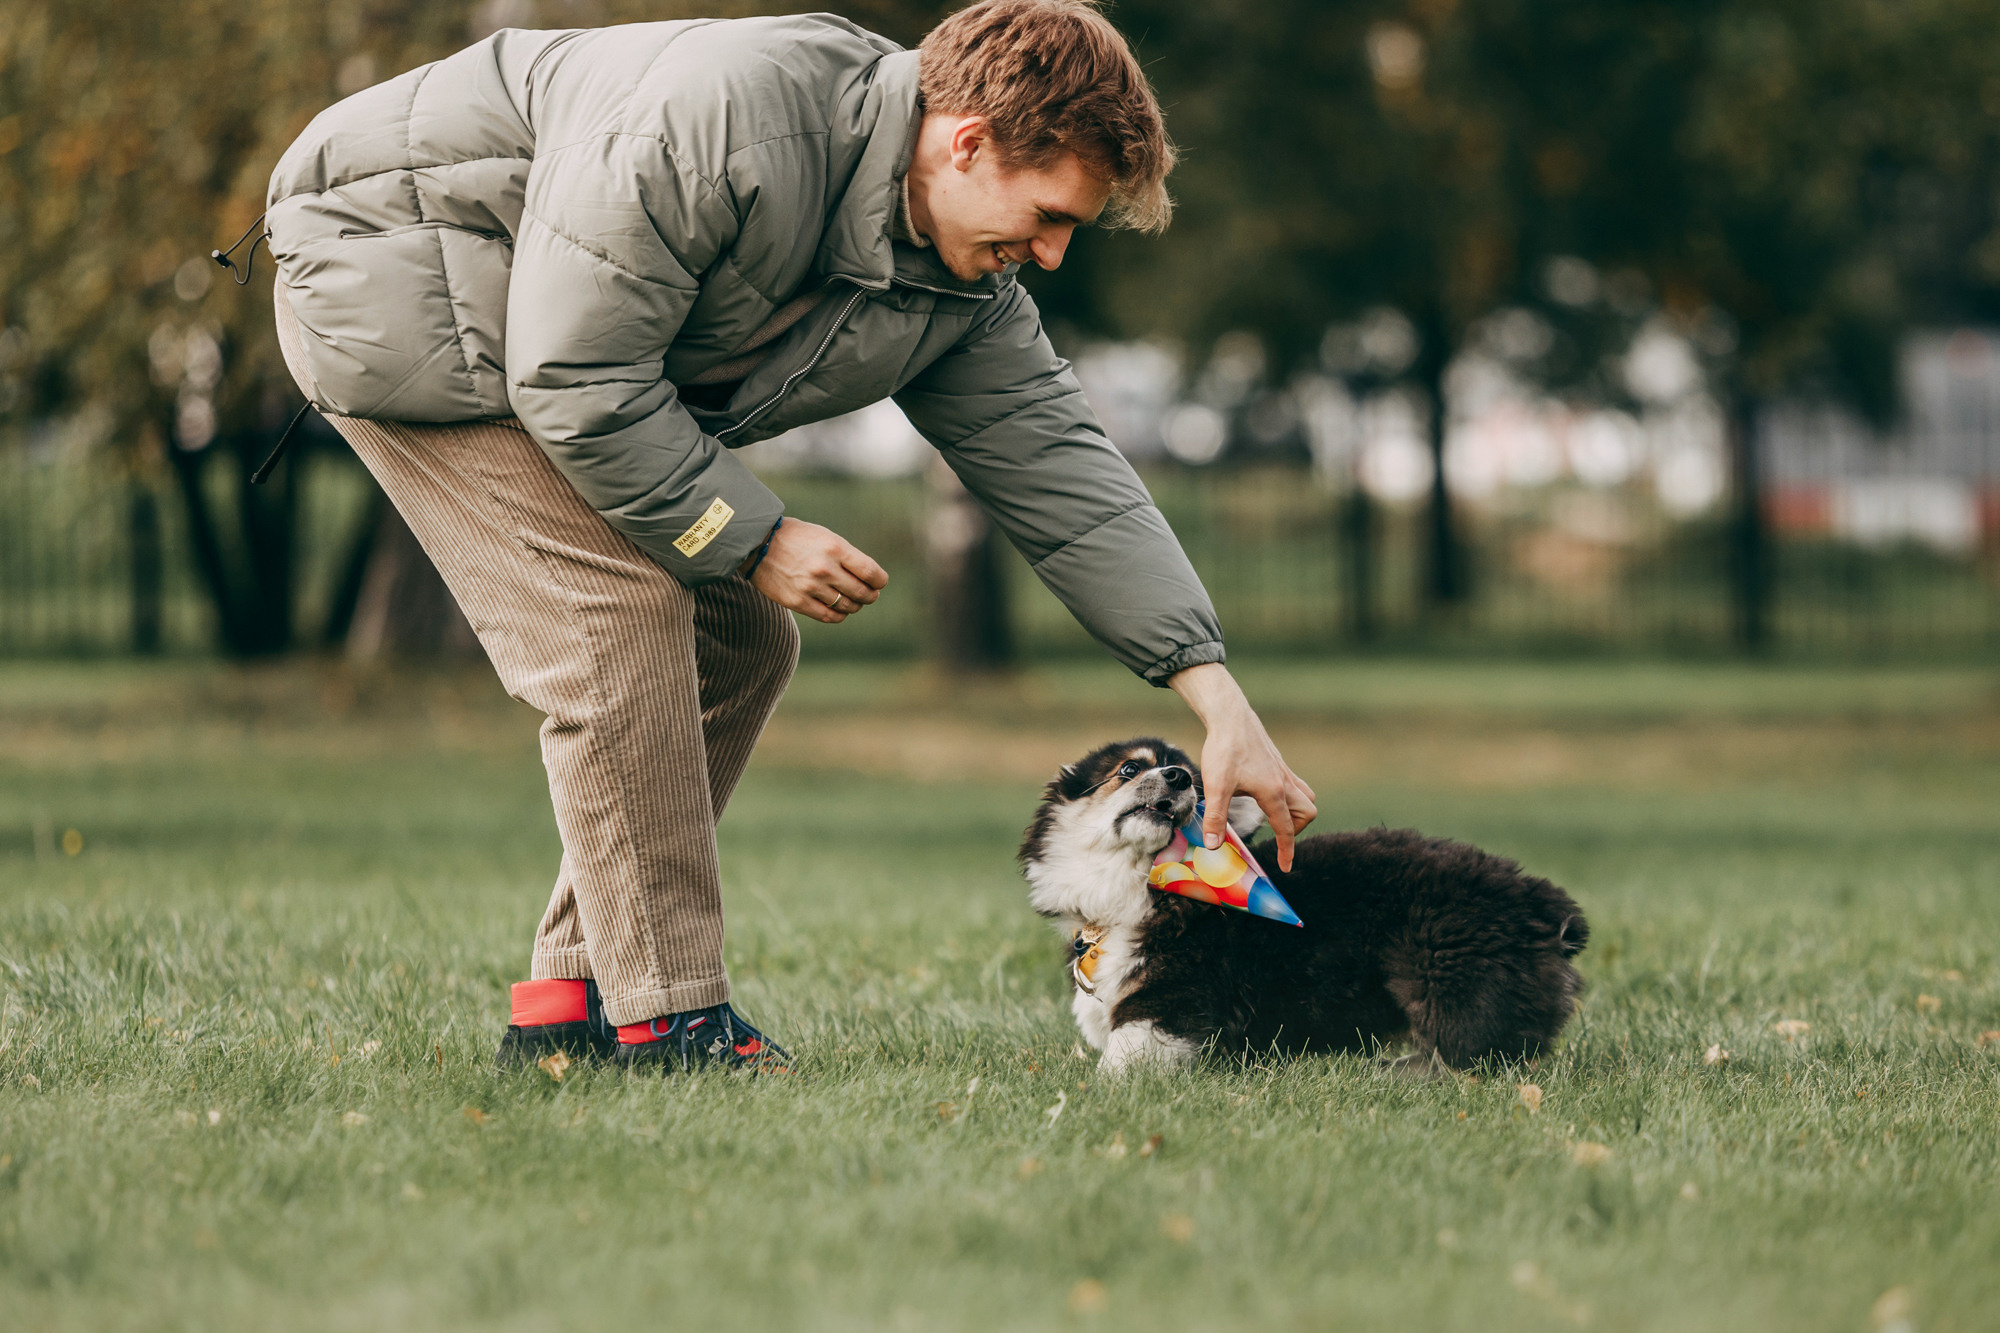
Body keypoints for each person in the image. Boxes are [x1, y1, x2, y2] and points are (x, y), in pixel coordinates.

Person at [264, 0, 1317, 1072]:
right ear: (965, 143)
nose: (1047, 255)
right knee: (616, 618)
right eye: (1048, 215)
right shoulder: (719, 123)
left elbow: (1066, 474)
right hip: (390, 277)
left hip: (550, 354)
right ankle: (666, 1019)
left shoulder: (958, 279)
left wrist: (1212, 690)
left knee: (740, 641)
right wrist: (755, 538)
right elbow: (573, 376)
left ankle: (569, 999)